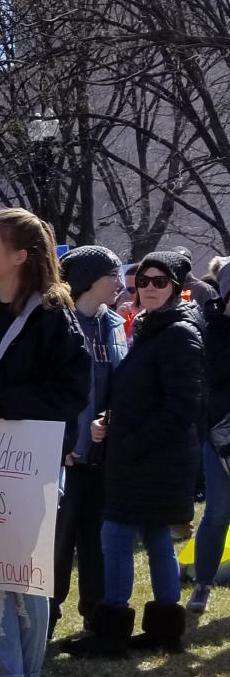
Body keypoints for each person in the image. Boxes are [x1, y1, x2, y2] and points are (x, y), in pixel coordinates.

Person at [0, 208, 90, 677]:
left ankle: (29, 670)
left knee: (25, 578)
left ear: (20, 256)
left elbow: (71, 392)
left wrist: (1, 408)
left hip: (32, 465)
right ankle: (10, 670)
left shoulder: (53, 316)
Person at [67, 251, 205, 658]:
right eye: (142, 280)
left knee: (116, 535)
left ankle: (111, 633)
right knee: (157, 538)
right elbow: (140, 392)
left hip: (150, 459)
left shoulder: (179, 332)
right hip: (144, 454)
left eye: (159, 281)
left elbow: (182, 407)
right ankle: (164, 630)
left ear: (178, 288)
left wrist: (131, 440)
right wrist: (111, 418)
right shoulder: (151, 326)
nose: (147, 287)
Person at [49, 246, 128, 638]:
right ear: (88, 280)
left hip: (102, 457)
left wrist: (109, 418)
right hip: (60, 456)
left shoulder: (114, 323)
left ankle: (94, 617)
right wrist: (59, 440)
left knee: (96, 542)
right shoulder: (56, 322)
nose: (121, 282)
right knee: (57, 543)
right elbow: (48, 388)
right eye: (113, 273)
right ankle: (46, 615)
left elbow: (121, 385)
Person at [187, 258, 230, 613]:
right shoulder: (209, 326)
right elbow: (213, 376)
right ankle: (202, 583)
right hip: (219, 436)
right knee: (217, 513)